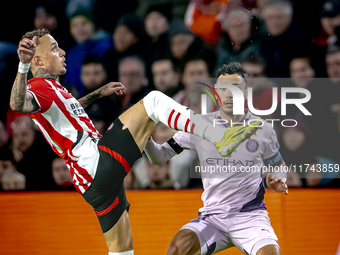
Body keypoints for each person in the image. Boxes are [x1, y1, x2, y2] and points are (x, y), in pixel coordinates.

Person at [10, 29, 258, 255]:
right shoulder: (38, 86)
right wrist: (22, 66)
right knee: (153, 102)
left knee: (122, 252)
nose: (62, 51)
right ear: (38, 60)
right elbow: (18, 104)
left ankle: (160, 151)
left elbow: (68, 108)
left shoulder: (53, 88)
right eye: (54, 48)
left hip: (92, 186)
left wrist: (98, 93)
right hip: (97, 164)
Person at [144, 62, 288, 255]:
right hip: (213, 218)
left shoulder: (262, 129)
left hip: (251, 217)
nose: (229, 94)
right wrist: (145, 139)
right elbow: (159, 157)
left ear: (246, 93)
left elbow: (278, 166)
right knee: (178, 249)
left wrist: (278, 181)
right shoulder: (198, 125)